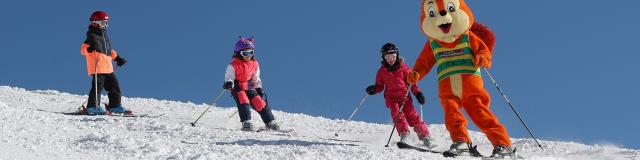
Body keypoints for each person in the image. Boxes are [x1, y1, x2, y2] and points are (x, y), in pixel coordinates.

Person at [408, 0, 514, 158]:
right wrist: (416, 73)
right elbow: (424, 62)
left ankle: (502, 144)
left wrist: (482, 58)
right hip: (447, 87)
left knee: (480, 113)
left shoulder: (467, 37)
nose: (443, 16)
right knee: (451, 114)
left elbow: (483, 51)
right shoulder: (433, 44)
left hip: (470, 82)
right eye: (432, 13)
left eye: (450, 9)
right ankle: (461, 141)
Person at [366, 43, 434, 147]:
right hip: (391, 98)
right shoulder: (381, 71)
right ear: (383, 58)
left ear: (397, 55)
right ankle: (404, 134)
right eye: (387, 57)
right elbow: (379, 86)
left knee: (413, 116)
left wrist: (418, 94)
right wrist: (374, 89)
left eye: (392, 56)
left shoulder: (403, 68)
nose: (390, 59)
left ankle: (425, 136)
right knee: (397, 114)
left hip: (405, 97)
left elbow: (412, 82)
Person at [223, 36, 280, 131]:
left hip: (249, 86)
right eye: (245, 53)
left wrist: (258, 88)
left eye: (251, 52)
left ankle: (270, 122)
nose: (248, 55)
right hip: (237, 87)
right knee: (243, 100)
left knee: (259, 102)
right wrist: (229, 82)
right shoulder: (233, 65)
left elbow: (256, 78)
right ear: (238, 53)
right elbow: (229, 76)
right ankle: (247, 122)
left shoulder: (254, 64)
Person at [80, 10, 129, 115]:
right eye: (103, 23)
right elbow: (83, 49)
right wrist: (89, 49)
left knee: (114, 86)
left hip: (108, 67)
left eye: (106, 23)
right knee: (98, 87)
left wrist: (118, 58)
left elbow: (109, 51)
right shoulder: (91, 35)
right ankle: (93, 107)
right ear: (95, 22)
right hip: (98, 66)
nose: (105, 25)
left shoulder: (105, 36)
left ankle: (114, 106)